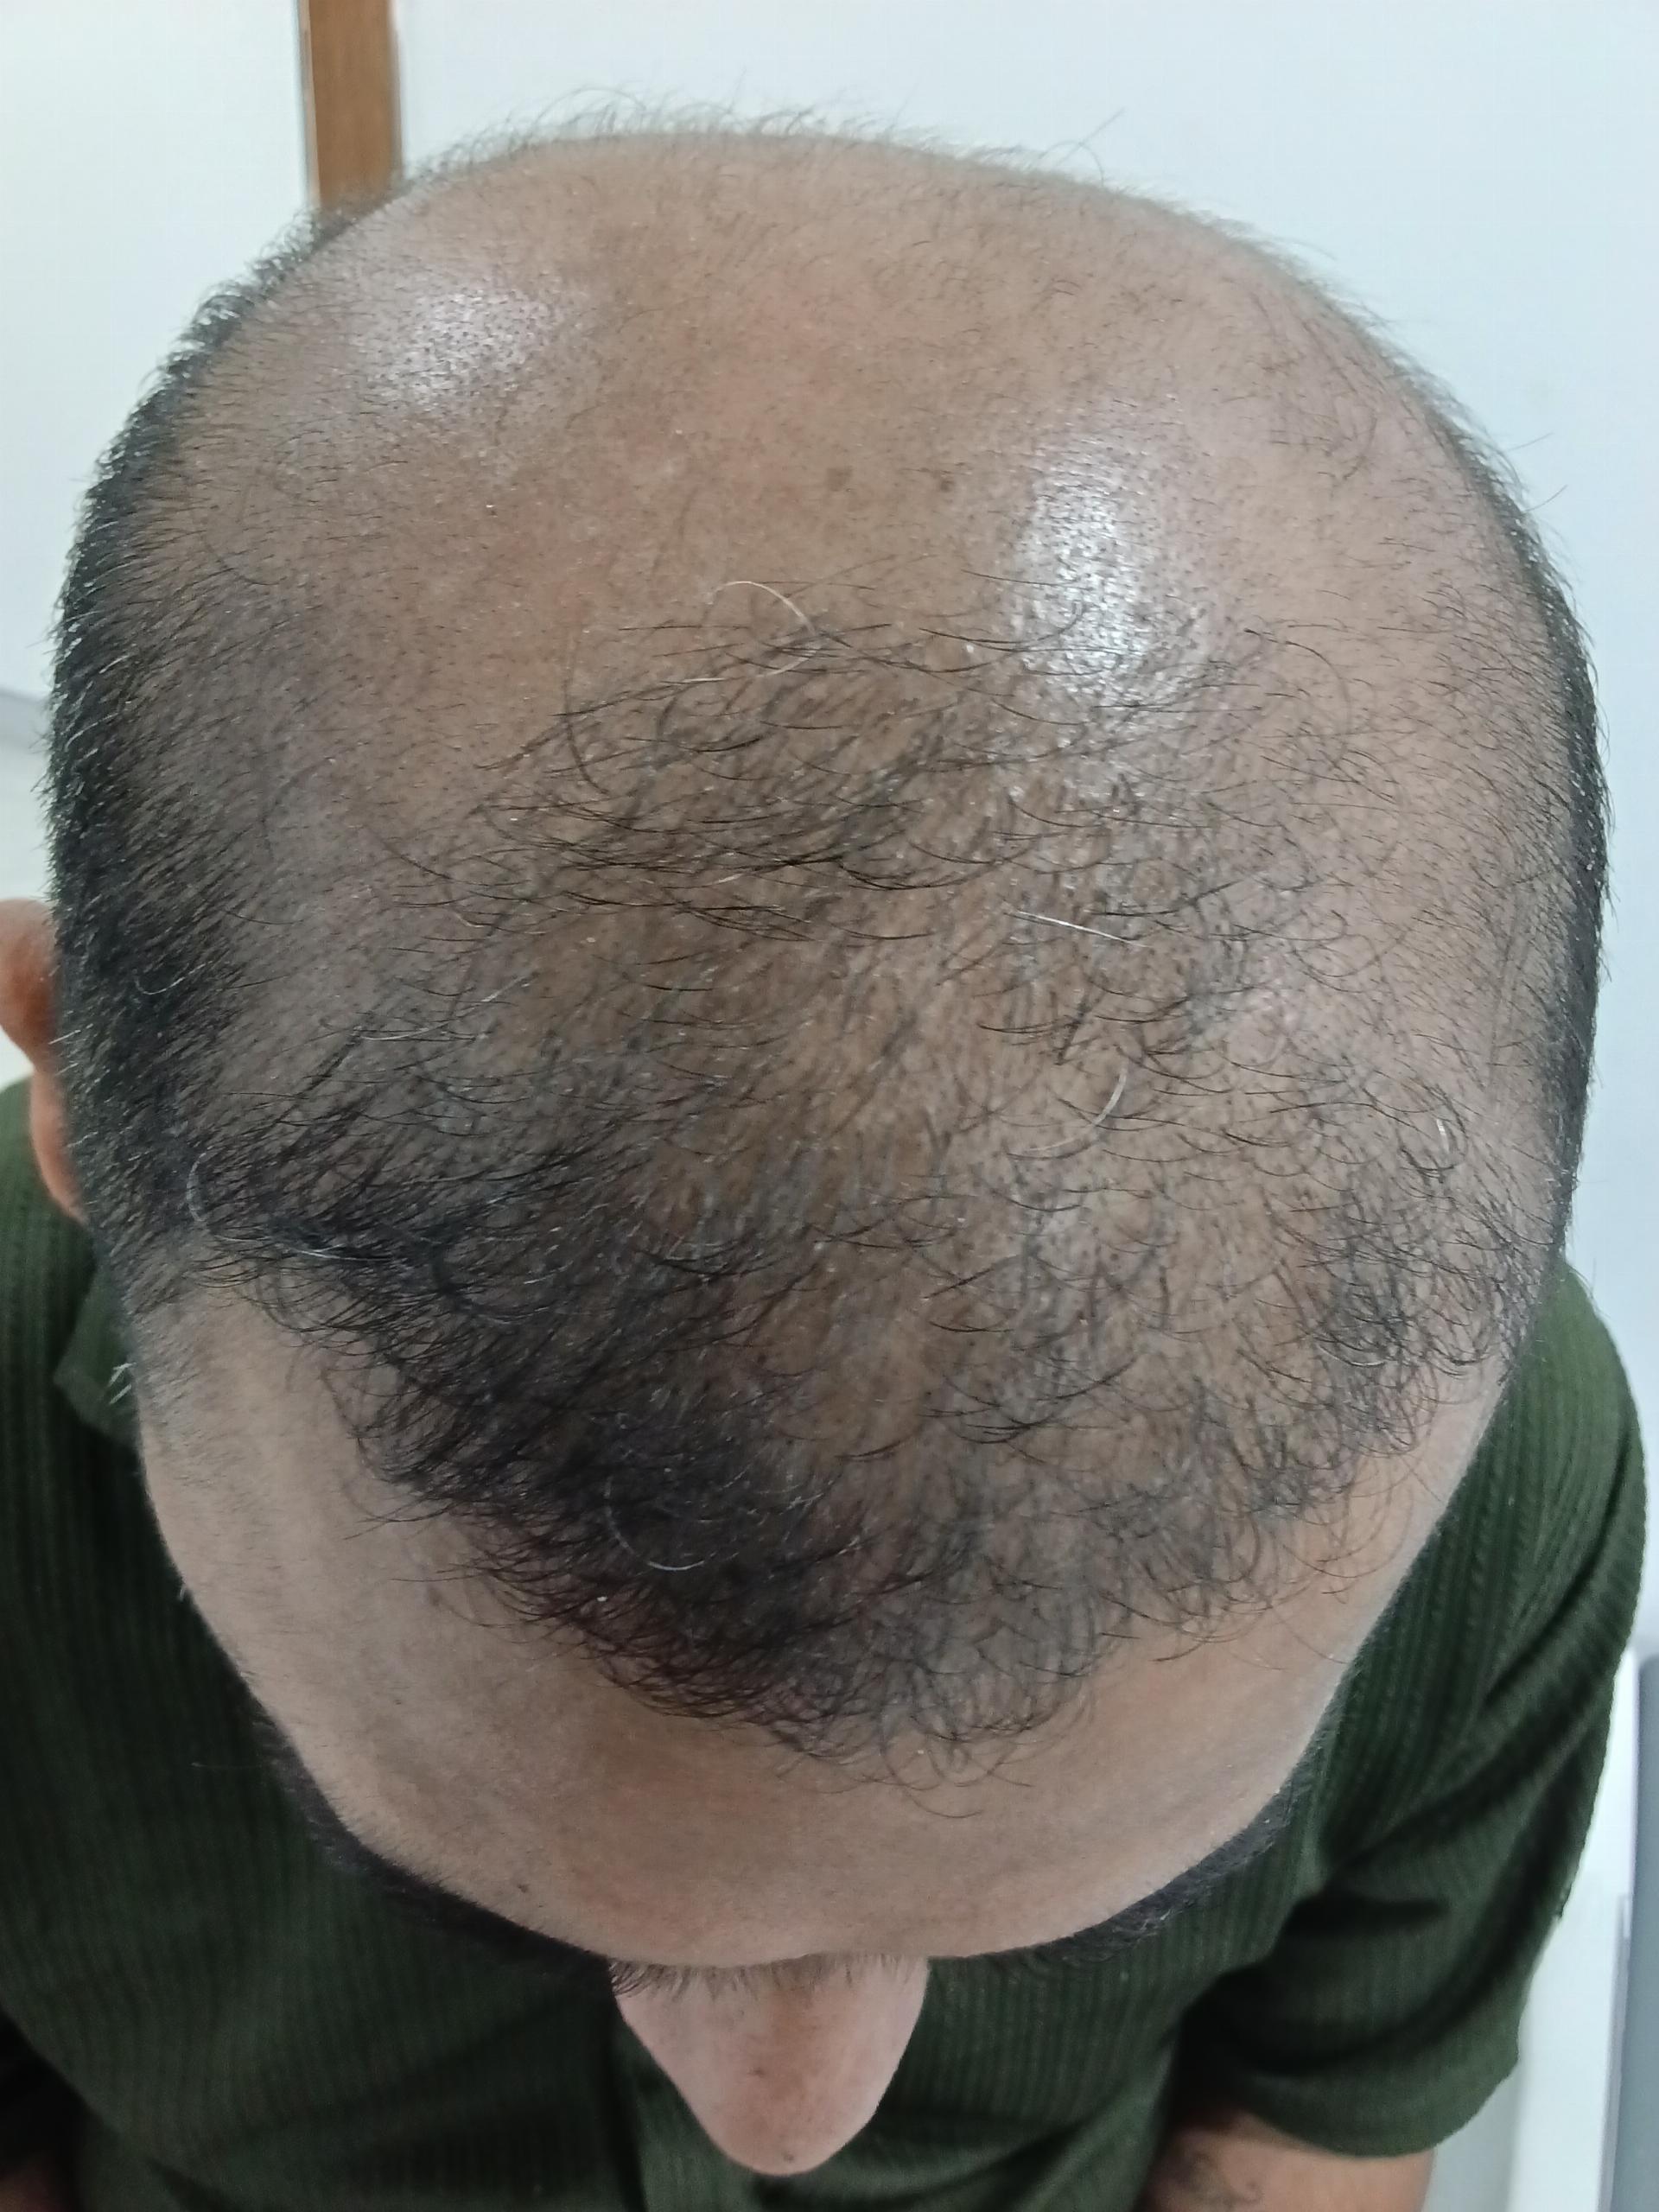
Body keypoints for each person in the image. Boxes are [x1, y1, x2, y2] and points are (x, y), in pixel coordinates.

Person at [0, 111, 1643, 2212]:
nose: (800, 2115)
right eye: (470, 1884)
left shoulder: (1481, 1466)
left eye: (1110, 1899)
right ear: (85, 1084)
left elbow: (1308, 2128)